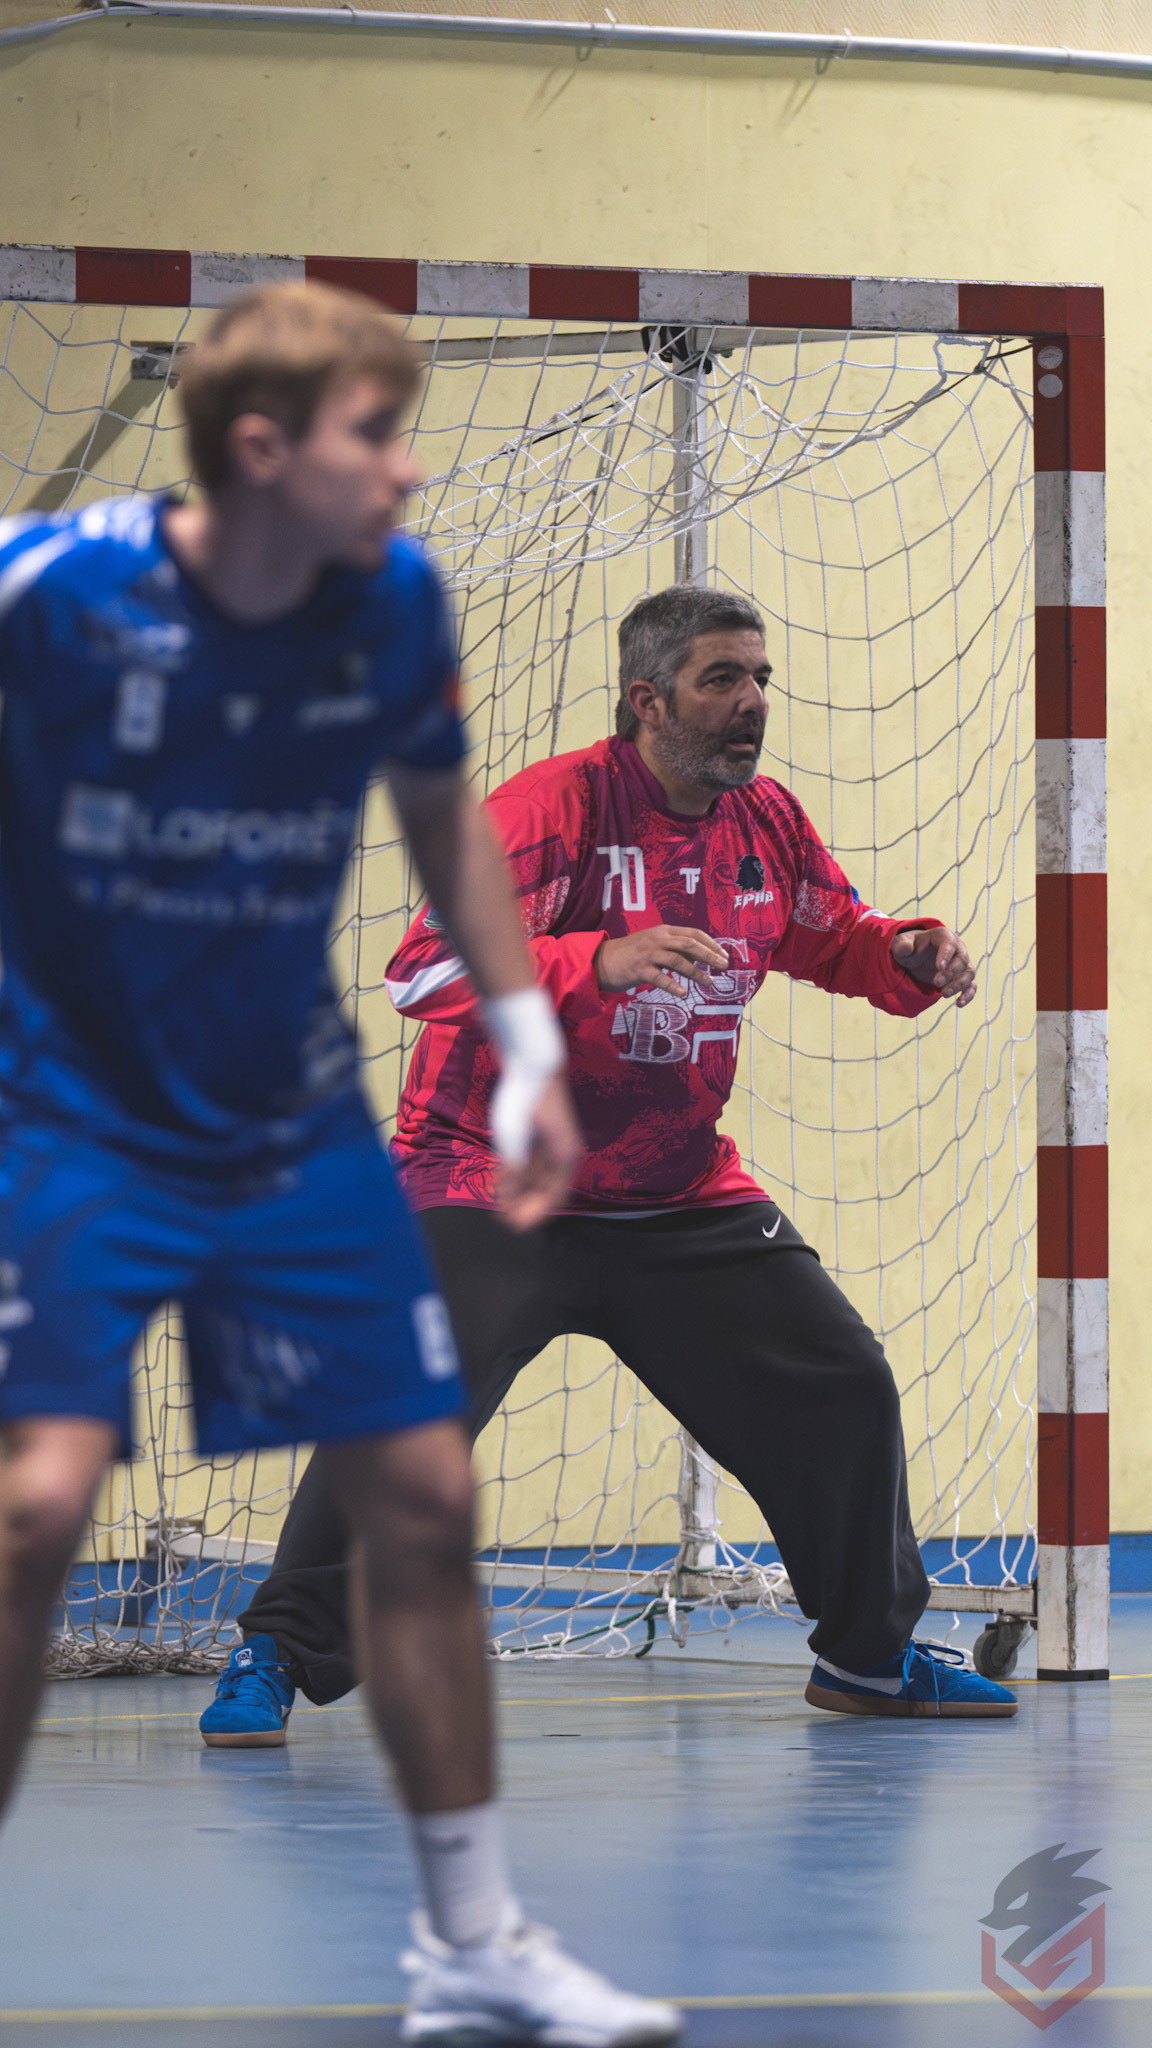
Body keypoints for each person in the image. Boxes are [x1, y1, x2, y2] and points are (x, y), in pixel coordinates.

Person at [0, 281, 682, 2046]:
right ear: (259, 449)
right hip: (70, 1106)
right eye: (377, 436)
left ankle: (473, 1943)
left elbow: (444, 829)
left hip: (285, 1111)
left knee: (422, 1499)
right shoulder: (51, 590)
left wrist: (527, 1041)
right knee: (38, 1504)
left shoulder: (390, 602)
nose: (410, 467)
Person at [201, 582, 1017, 1744]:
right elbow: (421, 971)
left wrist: (906, 955)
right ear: (649, 699)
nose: (752, 702)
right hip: (488, 1179)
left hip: (675, 1194)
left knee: (842, 1378)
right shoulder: (555, 807)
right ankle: (276, 1649)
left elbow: (828, 932)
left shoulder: (765, 821)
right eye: (722, 679)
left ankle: (868, 1657)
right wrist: (594, 959)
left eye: (761, 678)